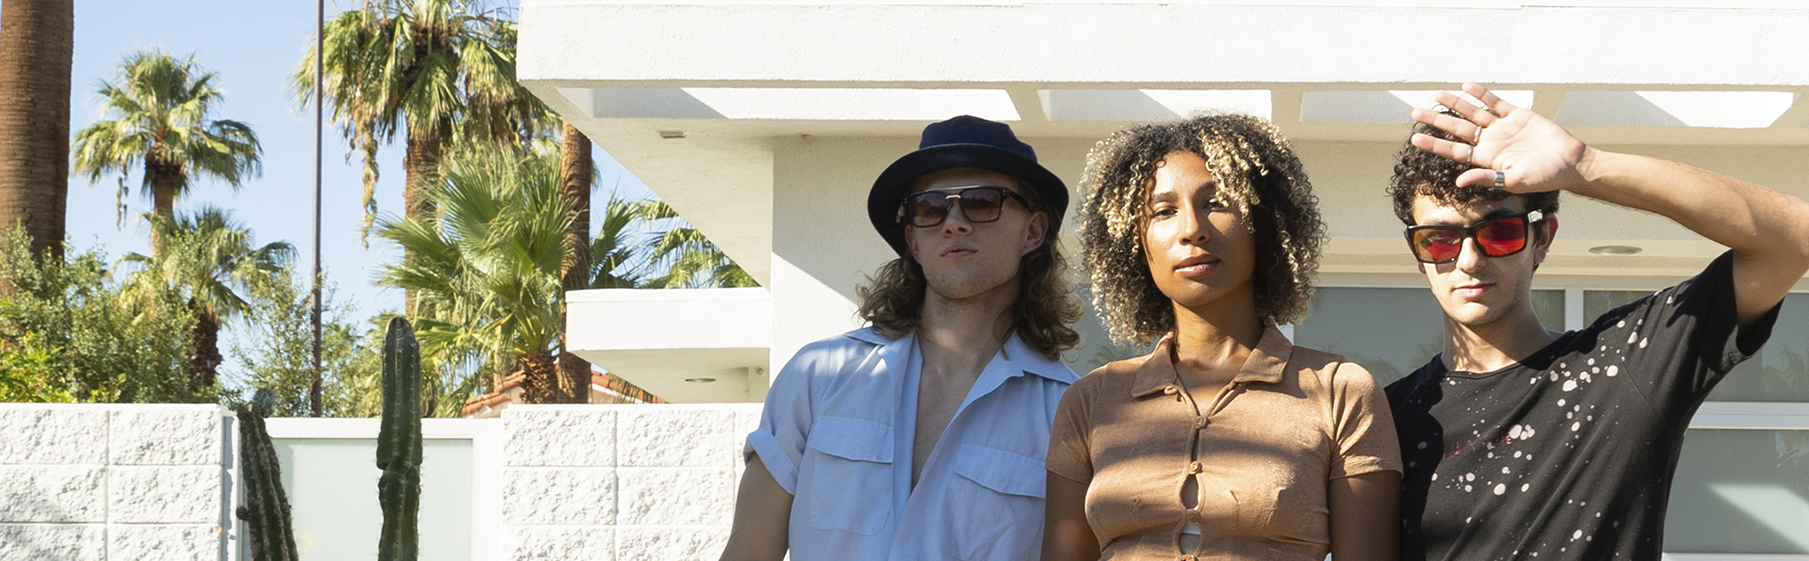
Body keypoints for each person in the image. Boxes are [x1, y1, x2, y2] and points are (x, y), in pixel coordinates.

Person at [1385, 83, 1809, 561]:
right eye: (1440, 239)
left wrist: (1585, 165)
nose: (1469, 259)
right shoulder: (1383, 417)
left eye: (1499, 232)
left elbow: (1795, 238)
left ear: (1543, 237)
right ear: (1417, 251)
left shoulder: (1624, 365)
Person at [719, 115, 1083, 561]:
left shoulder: (1068, 414)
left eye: (982, 201)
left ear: (1033, 231)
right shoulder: (817, 377)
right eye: (930, 207)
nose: (954, 222)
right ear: (913, 241)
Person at [1041, 114, 1402, 561]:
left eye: (1217, 202)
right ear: (1136, 244)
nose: (1192, 229)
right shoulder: (1091, 400)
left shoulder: (1339, 391)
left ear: (1262, 223)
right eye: (1163, 211)